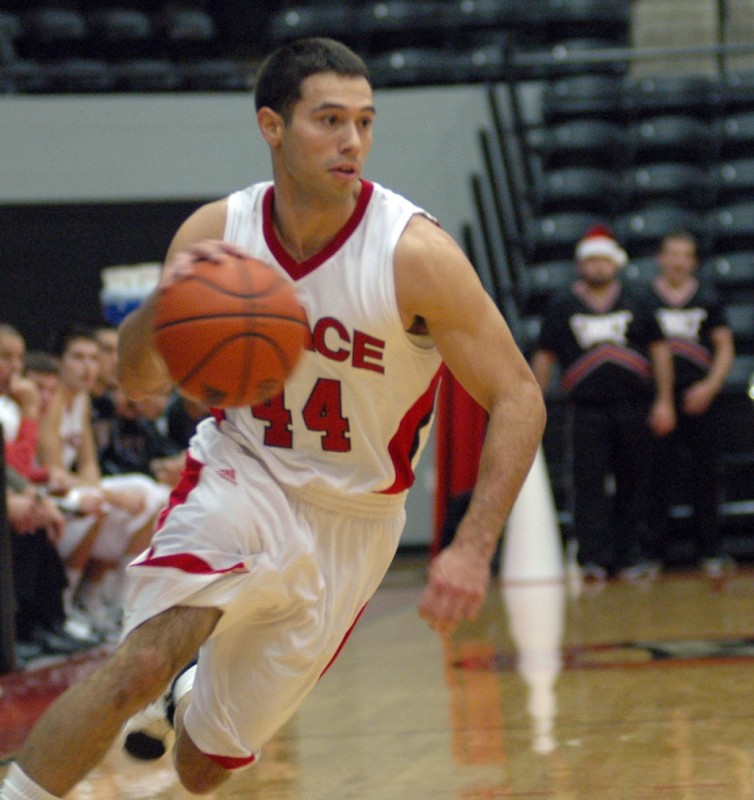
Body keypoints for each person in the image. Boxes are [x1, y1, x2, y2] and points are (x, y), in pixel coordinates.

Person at [0, 37, 545, 800]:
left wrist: (471, 544)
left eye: (364, 121)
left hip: (353, 521)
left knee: (199, 771)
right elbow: (137, 384)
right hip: (242, 470)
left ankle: (198, 698)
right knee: (142, 663)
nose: (352, 141)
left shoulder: (413, 254)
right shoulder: (216, 234)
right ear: (272, 126)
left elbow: (520, 396)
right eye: (329, 120)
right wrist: (174, 305)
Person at [531, 225, 676, 582]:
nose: (597, 267)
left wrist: (665, 401)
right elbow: (545, 357)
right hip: (586, 409)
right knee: (587, 482)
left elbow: (660, 352)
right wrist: (534, 405)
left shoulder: (639, 299)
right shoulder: (562, 304)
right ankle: (592, 557)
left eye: (603, 260)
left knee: (634, 480)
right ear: (581, 264)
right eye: (591, 260)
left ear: (615, 263)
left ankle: (629, 555)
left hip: (634, 406)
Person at [647, 231, 735, 576]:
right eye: (673, 254)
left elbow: (725, 346)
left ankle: (710, 550)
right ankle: (653, 551)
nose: (679, 261)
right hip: (657, 401)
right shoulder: (643, 299)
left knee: (706, 474)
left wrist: (710, 387)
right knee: (655, 474)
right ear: (661, 258)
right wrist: (659, 399)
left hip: (701, 397)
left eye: (686, 255)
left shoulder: (708, 298)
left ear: (694, 262)